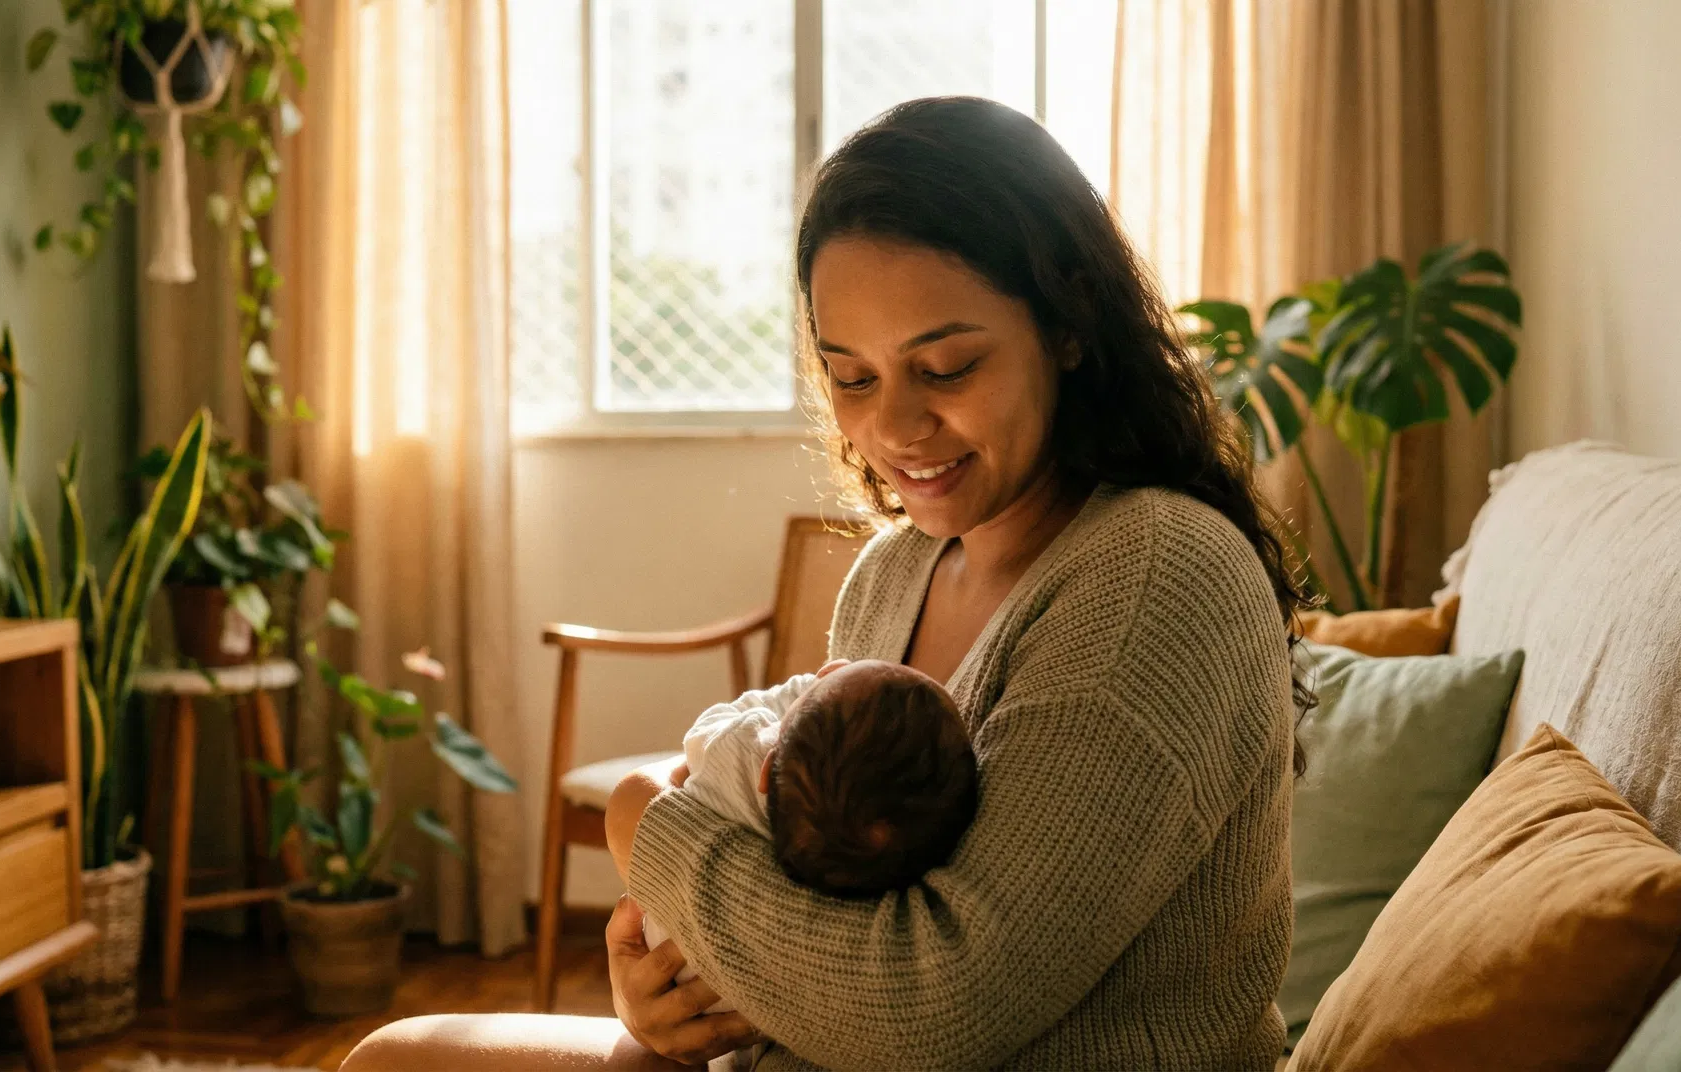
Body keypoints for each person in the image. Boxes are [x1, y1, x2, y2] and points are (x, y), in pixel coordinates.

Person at [341, 95, 1312, 1071]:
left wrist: (648, 829)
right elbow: (799, 889)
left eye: (945, 366)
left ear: (1068, 325)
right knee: (394, 1056)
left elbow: (932, 1004)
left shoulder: (1156, 572)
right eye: (852, 378)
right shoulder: (894, 572)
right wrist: (661, 993)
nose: (894, 427)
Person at [623, 657, 979, 1021]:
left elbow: (709, 728)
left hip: (667, 959)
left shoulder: (738, 749)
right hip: (747, 1011)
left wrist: (803, 689)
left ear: (766, 771)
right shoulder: (874, 877)